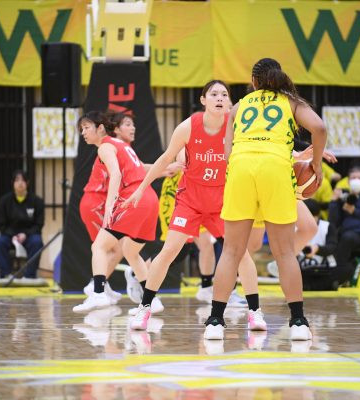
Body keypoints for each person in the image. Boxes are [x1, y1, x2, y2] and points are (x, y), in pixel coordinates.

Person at [124, 81, 265, 332]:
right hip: (190, 200)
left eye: (224, 94)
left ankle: (255, 312)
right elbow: (165, 158)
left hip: (223, 201)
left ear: (229, 102)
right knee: (169, 251)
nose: (219, 98)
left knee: (240, 254)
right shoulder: (188, 126)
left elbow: (262, 150)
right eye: (214, 94)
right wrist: (141, 187)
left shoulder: (237, 126)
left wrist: (298, 156)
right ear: (203, 100)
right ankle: (145, 307)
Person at [202, 58, 326, 341]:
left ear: (254, 81)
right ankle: (298, 322)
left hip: (241, 169)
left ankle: (215, 322)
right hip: (275, 170)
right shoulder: (291, 102)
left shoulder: (239, 105)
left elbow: (227, 151)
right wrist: (316, 164)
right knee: (284, 252)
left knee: (231, 251)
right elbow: (319, 128)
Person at [73, 111, 158, 312]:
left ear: (100, 128)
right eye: (81, 129)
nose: (83, 133)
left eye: (86, 128)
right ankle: (150, 302)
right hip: (149, 198)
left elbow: (116, 174)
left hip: (133, 198)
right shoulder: (123, 145)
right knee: (131, 251)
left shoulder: (105, 146)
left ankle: (98, 293)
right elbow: (139, 169)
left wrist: (110, 205)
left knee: (99, 246)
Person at [0, 170, 45, 278]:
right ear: (13, 183)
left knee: (37, 242)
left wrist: (25, 234)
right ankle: (6, 275)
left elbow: (39, 225)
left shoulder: (37, 201)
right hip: (10, 236)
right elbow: (1, 224)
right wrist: (13, 235)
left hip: (29, 235)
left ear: (27, 183)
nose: (20, 183)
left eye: (23, 180)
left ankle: (29, 276)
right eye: (17, 180)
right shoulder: (4, 201)